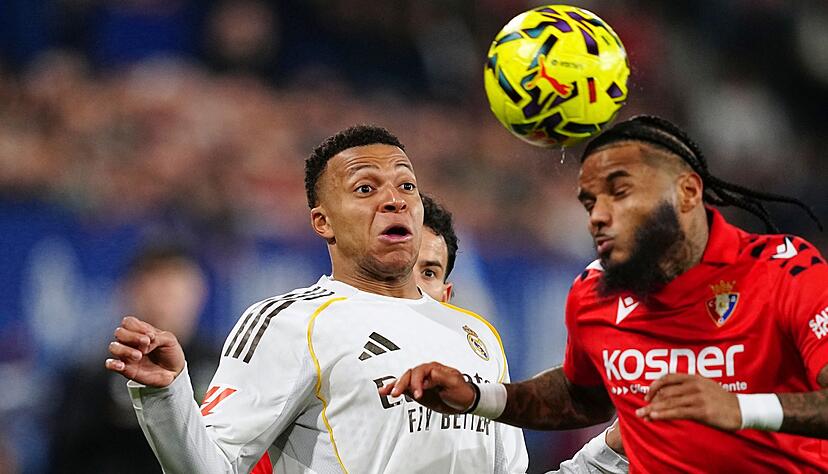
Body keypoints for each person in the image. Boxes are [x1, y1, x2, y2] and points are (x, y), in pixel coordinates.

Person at [382, 115, 828, 472]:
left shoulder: (786, 271)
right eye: (590, 201)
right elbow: (581, 397)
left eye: (619, 192)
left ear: (688, 191)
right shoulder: (595, 294)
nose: (598, 215)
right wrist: (481, 397)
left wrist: (743, 409)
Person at [105, 125, 530, 473]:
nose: (394, 199)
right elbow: (216, 467)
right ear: (322, 221)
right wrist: (166, 397)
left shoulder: (476, 335)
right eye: (366, 189)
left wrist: (599, 454)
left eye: (407, 185)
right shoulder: (290, 322)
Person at [416, 193, 628, 473]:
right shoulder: (342, 345)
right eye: (397, 272)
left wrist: (610, 453)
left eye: (429, 272)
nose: (413, 288)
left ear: (448, 293)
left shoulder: (482, 366)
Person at [51, 244, 213, 474]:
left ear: (199, 291)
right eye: (153, 281)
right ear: (127, 291)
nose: (163, 296)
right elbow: (66, 456)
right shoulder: (93, 376)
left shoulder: (224, 367)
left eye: (173, 283)